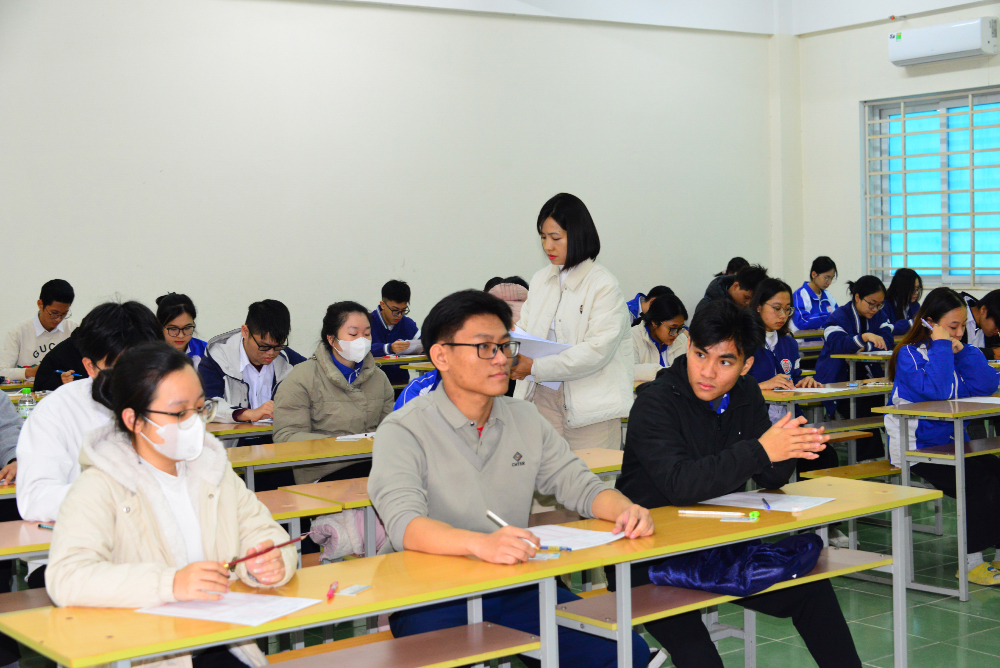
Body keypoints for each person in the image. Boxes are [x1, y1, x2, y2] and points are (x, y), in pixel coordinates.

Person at [368, 289, 653, 668]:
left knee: (624, 652)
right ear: (441, 356)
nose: (502, 358)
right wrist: (481, 545)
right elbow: (405, 525)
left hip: (515, 585)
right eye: (485, 348)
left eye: (505, 346)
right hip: (431, 593)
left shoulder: (523, 417)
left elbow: (580, 486)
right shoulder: (403, 429)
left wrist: (625, 510)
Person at [612, 299, 860, 668]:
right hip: (649, 557)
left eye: (725, 362)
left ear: (746, 366)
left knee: (810, 588)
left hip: (718, 545)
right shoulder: (655, 403)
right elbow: (680, 483)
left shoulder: (745, 394)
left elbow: (772, 476)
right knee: (700, 655)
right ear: (688, 346)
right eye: (700, 354)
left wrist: (788, 443)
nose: (707, 371)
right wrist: (761, 449)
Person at [46, 342, 295, 668]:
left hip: (221, 639)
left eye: (200, 408)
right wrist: (171, 583)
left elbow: (264, 531)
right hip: (146, 652)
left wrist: (270, 561)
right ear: (134, 420)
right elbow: (67, 577)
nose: (195, 423)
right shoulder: (99, 485)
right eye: (179, 413)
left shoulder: (212, 469)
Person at [885, 287, 1000, 585]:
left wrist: (966, 353)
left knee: (996, 472)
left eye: (962, 327)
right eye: (953, 327)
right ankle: (970, 561)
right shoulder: (909, 355)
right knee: (978, 482)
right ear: (929, 323)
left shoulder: (953, 353)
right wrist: (941, 347)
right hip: (917, 450)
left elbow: (987, 384)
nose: (959, 333)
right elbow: (936, 390)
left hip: (951, 445)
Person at [509, 193, 634, 452]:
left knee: (591, 476)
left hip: (591, 405)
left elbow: (597, 351)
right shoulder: (540, 280)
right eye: (543, 237)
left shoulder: (604, 285)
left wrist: (535, 367)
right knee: (547, 476)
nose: (548, 246)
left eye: (556, 238)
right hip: (542, 395)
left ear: (577, 235)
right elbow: (526, 331)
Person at [273, 301, 394, 483]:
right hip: (324, 473)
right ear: (331, 339)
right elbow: (286, 436)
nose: (362, 341)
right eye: (353, 334)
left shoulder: (379, 378)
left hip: (373, 468)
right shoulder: (302, 377)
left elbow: (391, 429)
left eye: (367, 334)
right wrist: (341, 444)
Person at [747, 279, 836, 472]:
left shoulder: (788, 343)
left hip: (788, 420)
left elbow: (793, 377)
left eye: (788, 309)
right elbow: (731, 386)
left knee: (825, 455)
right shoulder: (743, 342)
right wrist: (762, 385)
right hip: (756, 424)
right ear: (759, 307)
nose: (783, 315)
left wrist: (803, 381)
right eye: (777, 308)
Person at [815, 276, 894, 460]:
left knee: (891, 401)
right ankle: (868, 460)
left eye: (879, 305)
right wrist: (865, 338)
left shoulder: (880, 316)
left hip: (869, 378)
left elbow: (887, 341)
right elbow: (838, 344)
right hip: (839, 379)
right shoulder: (839, 316)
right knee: (862, 406)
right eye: (872, 304)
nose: (875, 309)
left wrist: (861, 345)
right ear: (857, 297)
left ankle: (894, 457)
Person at [199, 300, 305, 424]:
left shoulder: (290, 361)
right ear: (245, 332)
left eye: (278, 346)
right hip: (233, 436)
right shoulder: (218, 358)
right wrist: (248, 414)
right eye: (264, 346)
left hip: (277, 435)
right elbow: (204, 406)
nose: (271, 353)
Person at [0, 279, 77, 382]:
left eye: (64, 314)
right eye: (54, 313)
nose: (58, 319)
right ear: (40, 304)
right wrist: (30, 372)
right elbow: (2, 371)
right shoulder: (18, 332)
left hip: (63, 389)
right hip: (29, 390)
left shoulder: (73, 330)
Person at [369, 280, 423, 387]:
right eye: (395, 310)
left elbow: (425, 341)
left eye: (403, 310)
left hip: (401, 384)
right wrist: (389, 348)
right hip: (373, 387)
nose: (399, 315)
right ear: (383, 305)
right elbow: (360, 349)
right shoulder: (366, 323)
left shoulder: (408, 324)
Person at [631, 293, 688, 382]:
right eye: (672, 328)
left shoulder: (682, 339)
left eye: (680, 328)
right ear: (655, 322)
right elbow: (630, 370)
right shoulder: (632, 338)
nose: (676, 334)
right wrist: (664, 372)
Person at [156, 293, 207, 368]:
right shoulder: (148, 355)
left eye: (187, 328)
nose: (181, 335)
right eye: (173, 329)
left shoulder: (207, 352)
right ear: (159, 326)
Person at [695, 263, 769, 314]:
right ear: (736, 286)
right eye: (746, 297)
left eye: (753, 300)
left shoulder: (754, 310)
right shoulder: (707, 306)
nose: (748, 303)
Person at [791, 256, 838, 332]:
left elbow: (838, 316)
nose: (829, 282)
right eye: (826, 278)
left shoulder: (828, 295)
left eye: (831, 278)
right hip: (807, 339)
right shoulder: (800, 295)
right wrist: (828, 316)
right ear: (814, 274)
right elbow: (802, 322)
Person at [960, 290, 1000, 360]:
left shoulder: (990, 330)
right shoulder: (957, 313)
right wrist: (991, 353)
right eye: (997, 325)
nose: (998, 331)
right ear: (983, 310)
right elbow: (954, 351)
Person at [883, 268, 923, 337]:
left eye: (917, 289)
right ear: (898, 288)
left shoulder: (915, 305)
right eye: (912, 289)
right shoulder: (885, 305)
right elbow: (886, 330)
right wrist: (911, 323)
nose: (916, 292)